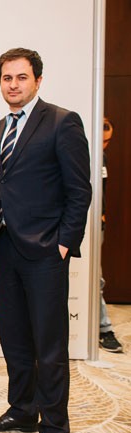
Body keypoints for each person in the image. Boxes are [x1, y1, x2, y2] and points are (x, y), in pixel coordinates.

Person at [0, 48, 92, 433]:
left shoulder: (62, 122)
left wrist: (63, 243)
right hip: (5, 250)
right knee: (15, 340)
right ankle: (22, 410)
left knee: (49, 346)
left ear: (38, 81)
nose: (14, 85)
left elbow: (79, 191)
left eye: (21, 77)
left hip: (45, 252)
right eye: (7, 78)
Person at [99, 117, 123, 352]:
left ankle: (103, 328)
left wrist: (102, 215)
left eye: (107, 142)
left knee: (97, 280)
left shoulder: (102, 157)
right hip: (72, 227)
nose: (103, 146)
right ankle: (103, 328)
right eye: (101, 141)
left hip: (98, 226)